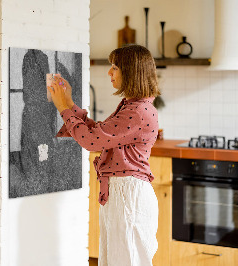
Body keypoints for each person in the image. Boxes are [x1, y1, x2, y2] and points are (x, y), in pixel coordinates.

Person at [47, 44, 161, 266]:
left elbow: (91, 141)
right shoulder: (133, 106)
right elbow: (99, 133)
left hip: (128, 195)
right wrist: (69, 103)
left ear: (131, 72)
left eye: (115, 67)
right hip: (123, 193)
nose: (109, 72)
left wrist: (63, 108)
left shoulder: (137, 111)